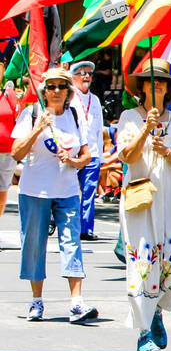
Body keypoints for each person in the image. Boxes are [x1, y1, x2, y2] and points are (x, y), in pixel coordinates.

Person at [117, 61, 171, 351]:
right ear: (141, 87)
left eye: (162, 83)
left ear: (168, 89)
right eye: (151, 82)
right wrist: (145, 129)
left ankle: (156, 313)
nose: (157, 86)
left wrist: (170, 152)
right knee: (142, 263)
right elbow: (126, 156)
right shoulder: (129, 117)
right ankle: (142, 333)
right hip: (140, 199)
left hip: (170, 201)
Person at [10, 67, 96, 322]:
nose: (56, 91)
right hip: (35, 191)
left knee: (72, 243)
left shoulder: (75, 115)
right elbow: (16, 152)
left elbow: (87, 156)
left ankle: (76, 303)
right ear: (44, 91)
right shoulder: (31, 113)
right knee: (34, 245)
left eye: (61, 86)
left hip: (67, 191)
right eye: (51, 87)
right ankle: (36, 301)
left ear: (68, 91)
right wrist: (38, 129)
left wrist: (73, 160)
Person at [69, 60, 105, 240]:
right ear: (73, 76)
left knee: (89, 191)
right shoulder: (68, 96)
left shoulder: (95, 99)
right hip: (73, 153)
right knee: (67, 190)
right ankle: (57, 219)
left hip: (92, 154)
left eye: (89, 73)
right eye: (82, 73)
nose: (86, 76)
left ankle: (85, 228)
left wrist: (100, 154)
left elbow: (100, 128)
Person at [0, 80, 21, 218]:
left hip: (7, 152)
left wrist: (22, 101)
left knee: (1, 194)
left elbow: (19, 118)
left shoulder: (9, 94)